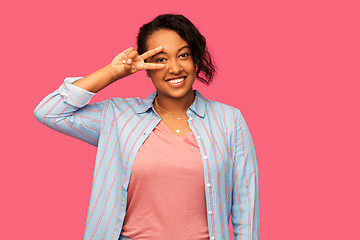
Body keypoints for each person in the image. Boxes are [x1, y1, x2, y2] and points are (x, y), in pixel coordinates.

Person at [34, 14, 260, 240]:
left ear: (195, 60)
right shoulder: (118, 116)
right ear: (147, 68)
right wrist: (112, 73)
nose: (174, 68)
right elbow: (49, 112)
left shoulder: (230, 120)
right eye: (161, 59)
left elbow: (245, 207)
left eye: (183, 55)